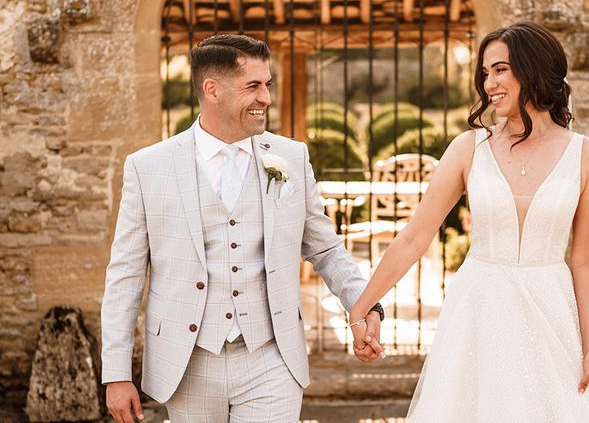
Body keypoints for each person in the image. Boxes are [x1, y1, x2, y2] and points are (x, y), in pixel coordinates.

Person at [101, 34, 385, 423]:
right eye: (252, 86)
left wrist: (363, 304)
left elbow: (325, 250)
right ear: (212, 90)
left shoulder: (290, 156)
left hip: (271, 357)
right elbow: (126, 274)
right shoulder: (148, 167)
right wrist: (116, 373)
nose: (265, 97)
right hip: (187, 364)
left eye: (267, 85)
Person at [348, 22, 589, 421]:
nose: (489, 84)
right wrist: (362, 308)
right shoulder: (469, 149)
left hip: (552, 312)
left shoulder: (585, 155)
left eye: (501, 69)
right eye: (486, 73)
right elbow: (415, 237)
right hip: (480, 310)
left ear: (534, 69)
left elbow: (586, 259)